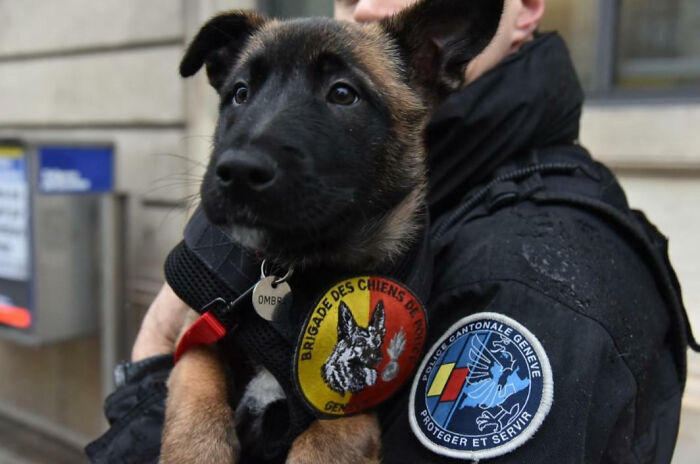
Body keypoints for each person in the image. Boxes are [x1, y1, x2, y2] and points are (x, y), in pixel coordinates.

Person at [87, 0, 698, 462]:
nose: (366, 8)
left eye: (342, 93)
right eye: (242, 91)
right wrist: (186, 377)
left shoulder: (529, 278)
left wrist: (153, 358)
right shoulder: (375, 208)